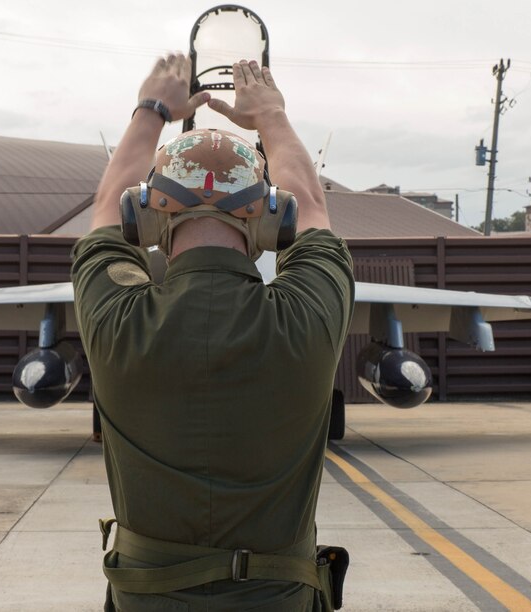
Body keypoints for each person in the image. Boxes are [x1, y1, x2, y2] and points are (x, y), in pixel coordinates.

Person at [72, 53, 354, 611]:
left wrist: (153, 107)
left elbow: (106, 206)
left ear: (147, 218)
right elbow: (314, 206)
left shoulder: (116, 321)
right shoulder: (306, 318)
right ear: (271, 219)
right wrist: (270, 114)